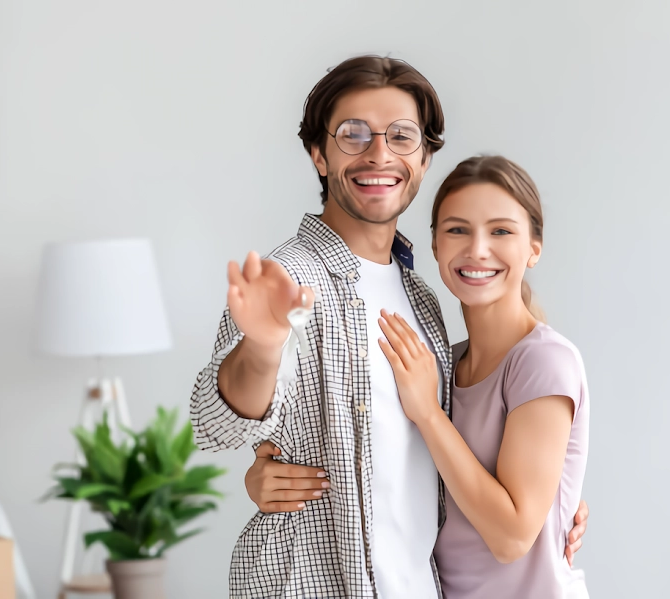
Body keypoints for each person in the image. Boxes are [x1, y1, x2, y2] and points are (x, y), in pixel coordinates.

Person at [190, 55, 588, 598]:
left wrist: (551, 506)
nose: (379, 153)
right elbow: (220, 425)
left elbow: (435, 457)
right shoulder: (289, 280)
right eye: (353, 134)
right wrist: (262, 348)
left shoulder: (422, 301)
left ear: (423, 161)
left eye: (401, 136)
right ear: (318, 156)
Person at [246, 155, 591, 598]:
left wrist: (428, 412)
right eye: (457, 229)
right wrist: (266, 477)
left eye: (501, 231)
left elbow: (511, 538)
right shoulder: (442, 362)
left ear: (534, 248)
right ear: (434, 245)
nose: (477, 249)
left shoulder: (543, 361)